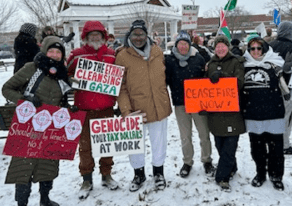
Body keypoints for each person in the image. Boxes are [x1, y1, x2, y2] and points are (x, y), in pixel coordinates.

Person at [2, 36, 71, 206]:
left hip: (51, 128)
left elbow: (61, 101)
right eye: (51, 51)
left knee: (47, 164)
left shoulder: (62, 73)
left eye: (58, 52)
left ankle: (45, 199)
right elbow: (7, 89)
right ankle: (22, 202)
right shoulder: (32, 68)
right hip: (28, 125)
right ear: (44, 51)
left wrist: (70, 110)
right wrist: (25, 100)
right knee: (24, 166)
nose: (55, 55)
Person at [115, 19, 172, 192]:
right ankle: (138, 174)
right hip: (136, 109)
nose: (138, 38)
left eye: (141, 34)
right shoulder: (122, 56)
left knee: (159, 143)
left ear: (146, 35)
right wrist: (126, 111)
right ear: (129, 36)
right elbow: (120, 87)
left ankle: (158, 173)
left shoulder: (157, 51)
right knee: (136, 145)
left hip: (159, 106)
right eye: (134, 34)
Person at [66, 21, 118, 199]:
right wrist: (78, 81)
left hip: (106, 107)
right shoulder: (76, 55)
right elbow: (65, 77)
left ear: (104, 37)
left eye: (98, 35)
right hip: (84, 108)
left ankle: (106, 175)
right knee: (86, 147)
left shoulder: (111, 54)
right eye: (91, 35)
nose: (95, 38)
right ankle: (86, 179)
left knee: (106, 144)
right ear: (86, 37)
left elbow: (119, 79)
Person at [243, 36, 292, 191]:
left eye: (259, 48)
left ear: (264, 49)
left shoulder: (275, 63)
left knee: (276, 149)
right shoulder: (243, 65)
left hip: (273, 112)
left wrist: (288, 70)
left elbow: (287, 84)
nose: (256, 51)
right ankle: (260, 173)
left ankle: (276, 176)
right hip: (253, 114)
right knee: (257, 149)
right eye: (252, 49)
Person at [165, 31, 214, 178]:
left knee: (204, 134)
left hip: (198, 103)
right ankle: (187, 161)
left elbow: (207, 75)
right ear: (176, 45)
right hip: (180, 103)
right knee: (185, 136)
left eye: (185, 44)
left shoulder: (198, 58)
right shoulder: (169, 60)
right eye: (180, 44)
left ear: (189, 44)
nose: (183, 47)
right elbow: (164, 80)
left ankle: (207, 160)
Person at [205, 35, 246, 192]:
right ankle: (231, 167)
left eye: (223, 46)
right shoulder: (210, 64)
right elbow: (204, 85)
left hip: (232, 112)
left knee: (230, 146)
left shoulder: (236, 62)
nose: (220, 49)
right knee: (220, 145)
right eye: (217, 47)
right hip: (215, 112)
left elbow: (240, 83)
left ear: (227, 47)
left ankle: (222, 177)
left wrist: (223, 78)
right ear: (214, 49)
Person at [269, 21, 292, 155]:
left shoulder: (270, 46)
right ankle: (284, 144)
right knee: (286, 116)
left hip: (270, 87)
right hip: (287, 87)